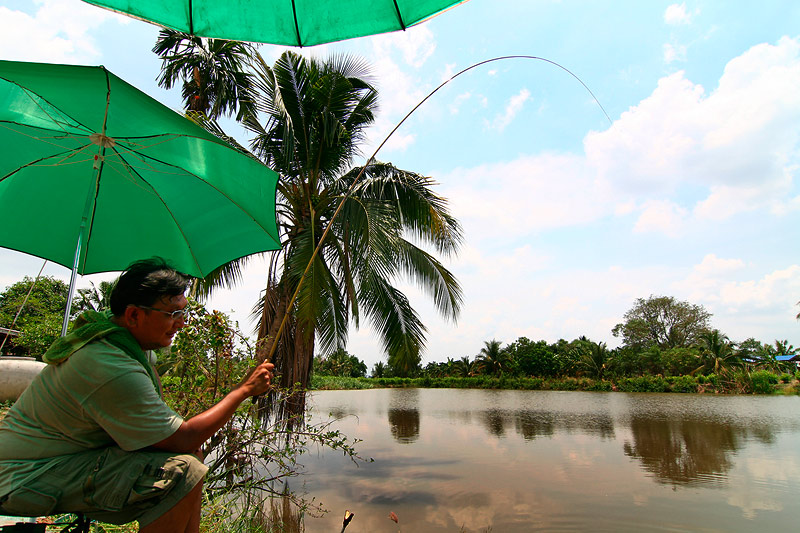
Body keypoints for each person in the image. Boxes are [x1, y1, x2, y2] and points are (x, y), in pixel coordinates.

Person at [0, 258, 274, 532]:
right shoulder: (110, 365)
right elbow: (182, 438)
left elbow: (172, 430)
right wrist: (244, 390)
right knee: (182, 471)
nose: (181, 323)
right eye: (171, 314)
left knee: (193, 454)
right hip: (21, 476)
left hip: (55, 461)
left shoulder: (124, 342)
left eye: (183, 312)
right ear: (133, 315)